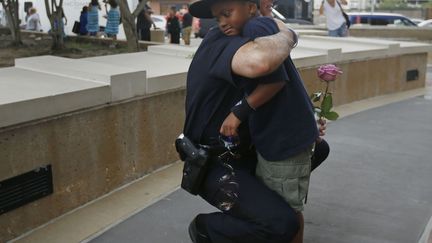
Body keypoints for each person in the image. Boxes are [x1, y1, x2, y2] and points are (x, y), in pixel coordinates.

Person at [183, 0, 300, 242]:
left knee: (315, 149)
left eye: (228, 13)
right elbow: (261, 62)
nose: (223, 22)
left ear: (250, 7)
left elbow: (280, 86)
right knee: (281, 223)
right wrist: (287, 33)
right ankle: (206, 228)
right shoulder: (223, 42)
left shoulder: (251, 34)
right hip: (214, 164)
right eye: (219, 16)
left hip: (241, 151)